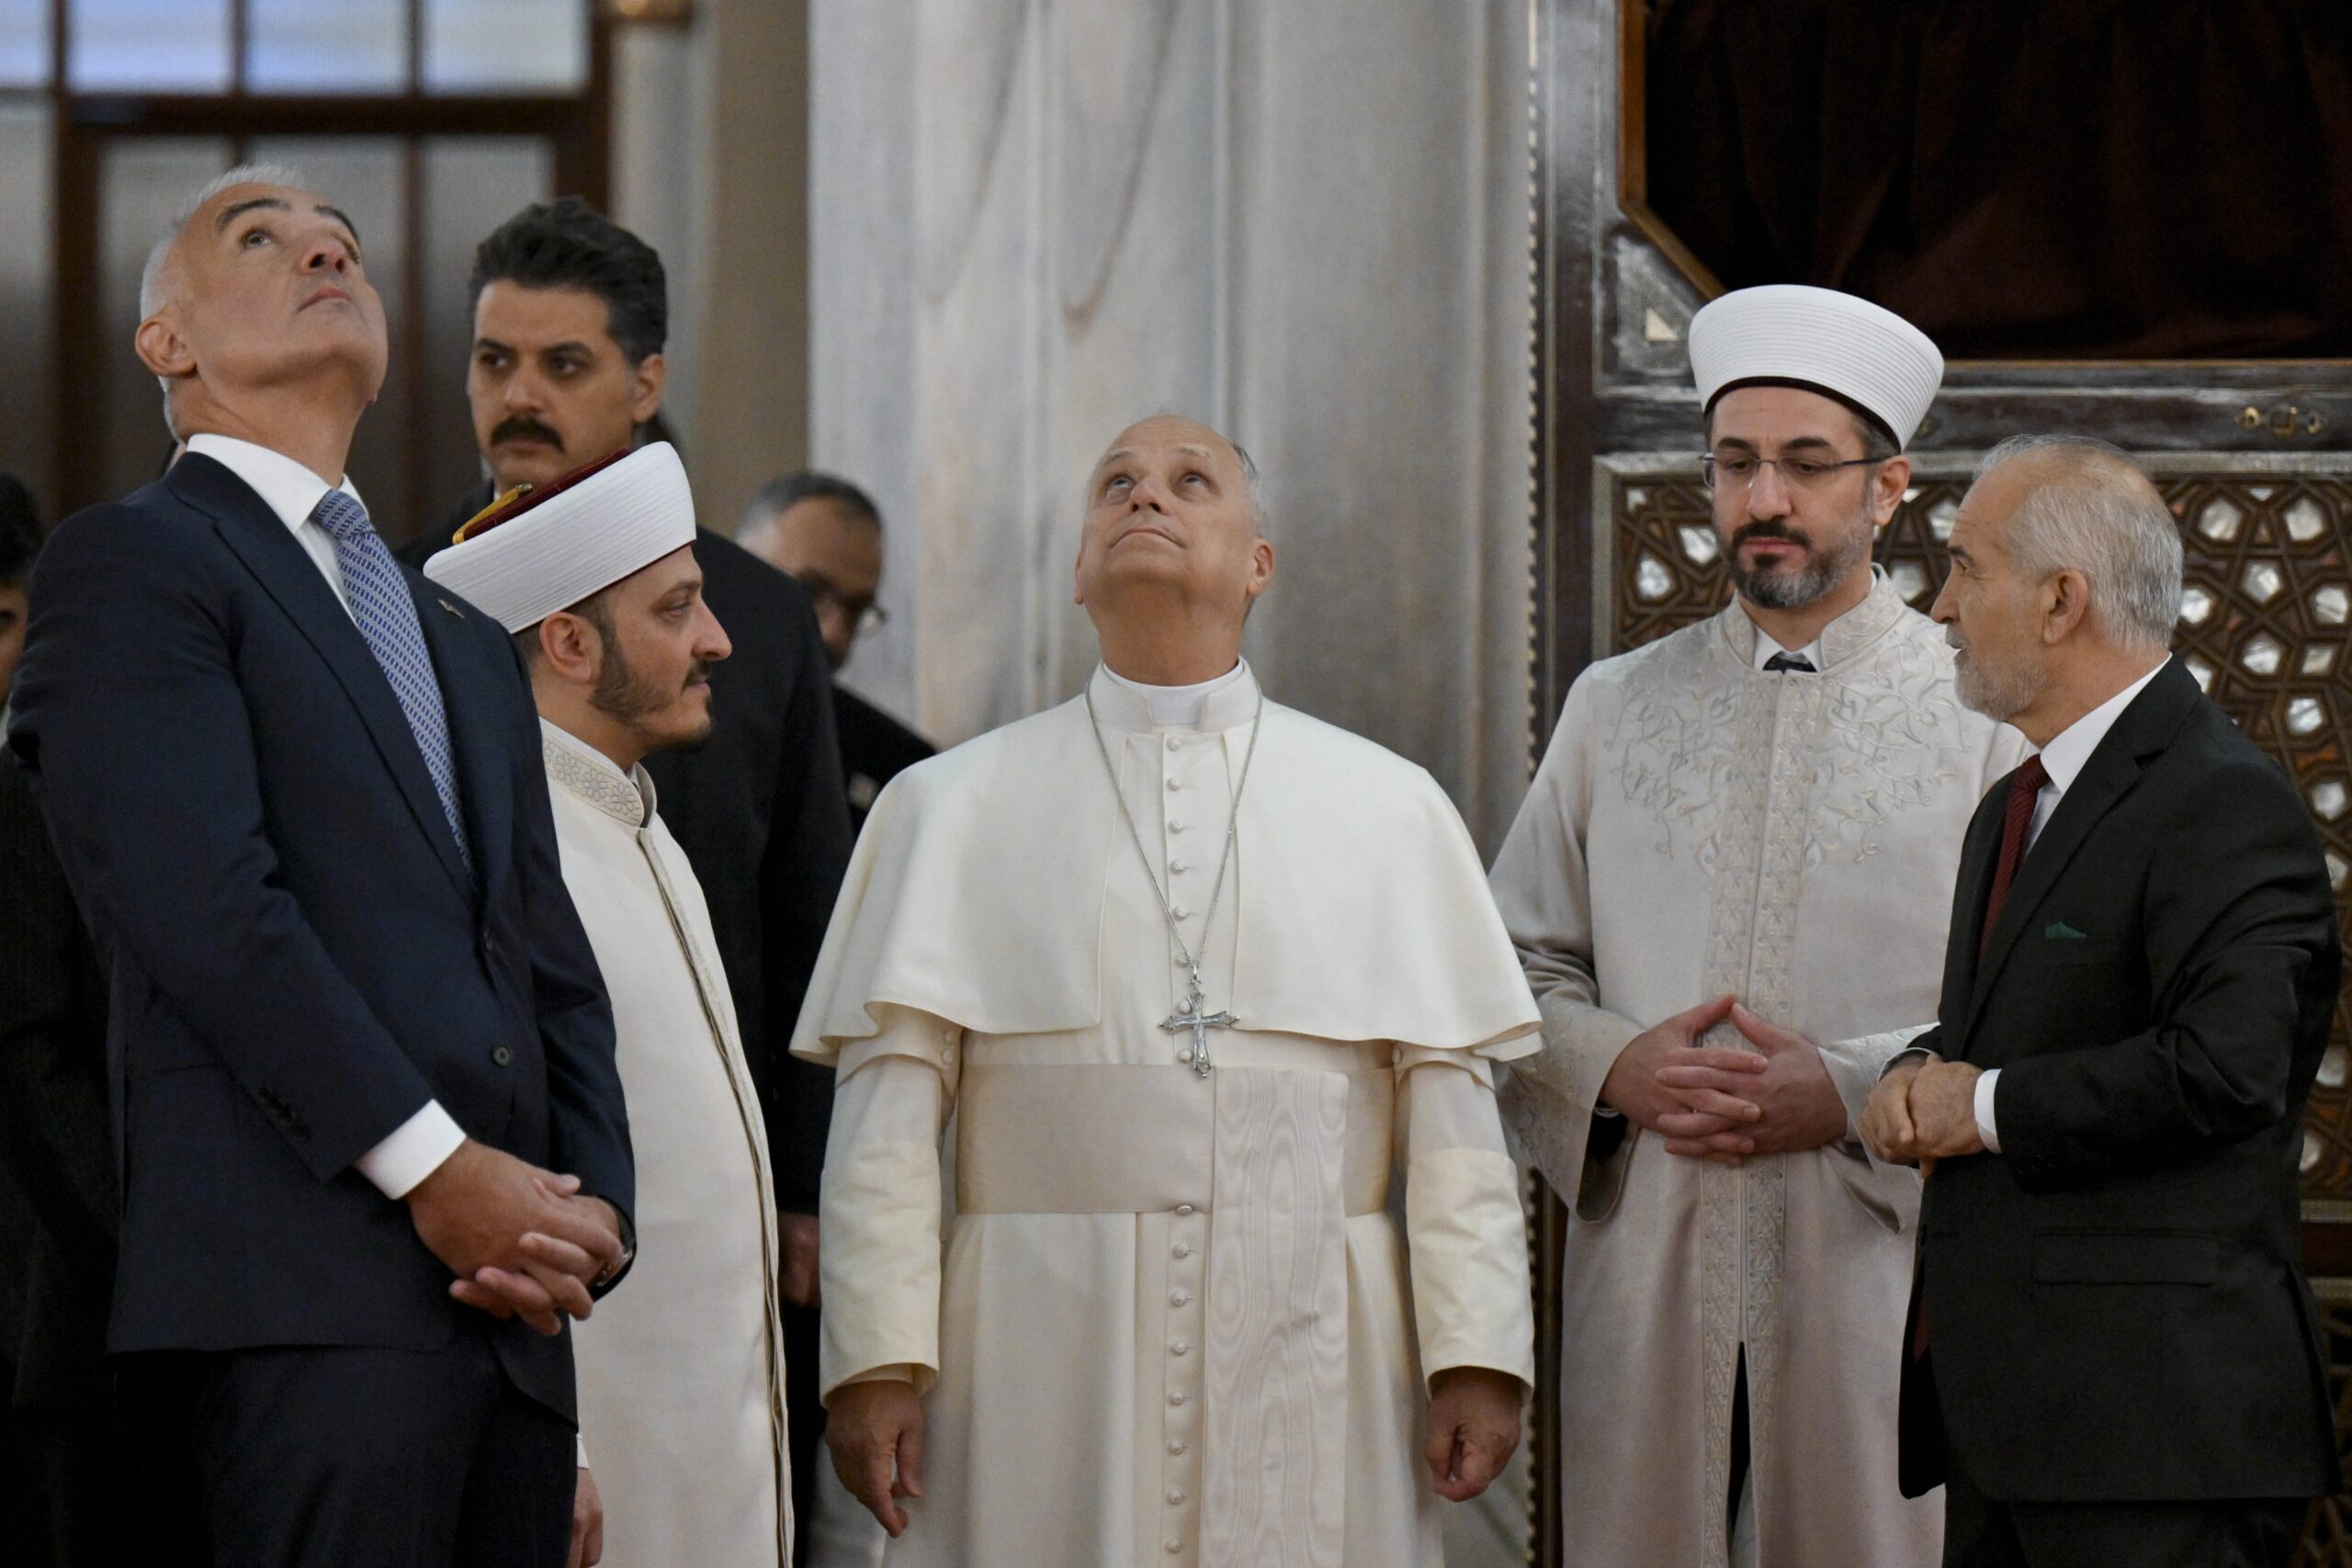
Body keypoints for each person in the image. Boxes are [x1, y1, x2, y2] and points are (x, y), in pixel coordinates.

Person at [5, 165, 634, 1568]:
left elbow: (546, 959)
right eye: (262, 236)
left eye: (342, 242)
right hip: (298, 1309)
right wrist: (438, 1169)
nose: (323, 252)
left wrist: (596, 1205)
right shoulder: (133, 561)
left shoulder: (457, 629)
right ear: (166, 339)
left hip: (515, 1328)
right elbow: (209, 912)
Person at [798, 414, 1537, 1567]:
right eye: (1116, 484)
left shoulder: (1390, 809)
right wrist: (874, 1360)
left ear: (1259, 564)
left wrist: (1477, 1353)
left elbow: (1454, 1132)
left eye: (1190, 481)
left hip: (1319, 1328)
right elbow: (882, 1133)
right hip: (1034, 1345)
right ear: (1077, 571)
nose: (1146, 497)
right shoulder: (945, 808)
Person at [1488, 284, 2026, 1567]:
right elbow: (1506, 963)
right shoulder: (1616, 705)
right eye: (1734, 464)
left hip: (1879, 1270)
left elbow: (2040, 1005)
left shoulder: (1989, 720)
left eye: (1803, 463)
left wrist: (1842, 1090)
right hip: (1652, 1268)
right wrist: (1616, 1066)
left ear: (1887, 488)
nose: (1763, 498)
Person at [398, 199, 851, 1549]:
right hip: (553, 1261)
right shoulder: (397, 608)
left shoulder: (754, 625)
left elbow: (806, 910)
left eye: (563, 364)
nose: (519, 397)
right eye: (495, 361)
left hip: (719, 1222)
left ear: (645, 381)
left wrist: (804, 1182)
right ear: (568, 644)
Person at [1861, 436, 2340, 1567]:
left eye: (1966, 568)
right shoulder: (2013, 804)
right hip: (2012, 1426)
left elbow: (2225, 1071)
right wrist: (1914, 1073)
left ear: (2060, 600)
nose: (1940, 608)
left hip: (2153, 1436)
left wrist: (1977, 1108)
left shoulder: (2221, 802)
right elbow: (2015, 1028)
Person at [427, 443, 795, 1567]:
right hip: (602, 1451)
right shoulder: (505, 847)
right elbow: (498, 1180)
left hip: (707, 1437)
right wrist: (561, 1443)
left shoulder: (635, 823)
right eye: (676, 609)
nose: (716, 639)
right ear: (571, 644)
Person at [740, 472, 933, 832]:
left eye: (856, 609)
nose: (833, 633)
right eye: (809, 591)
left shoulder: (898, 769)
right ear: (739, 569)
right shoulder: (654, 728)